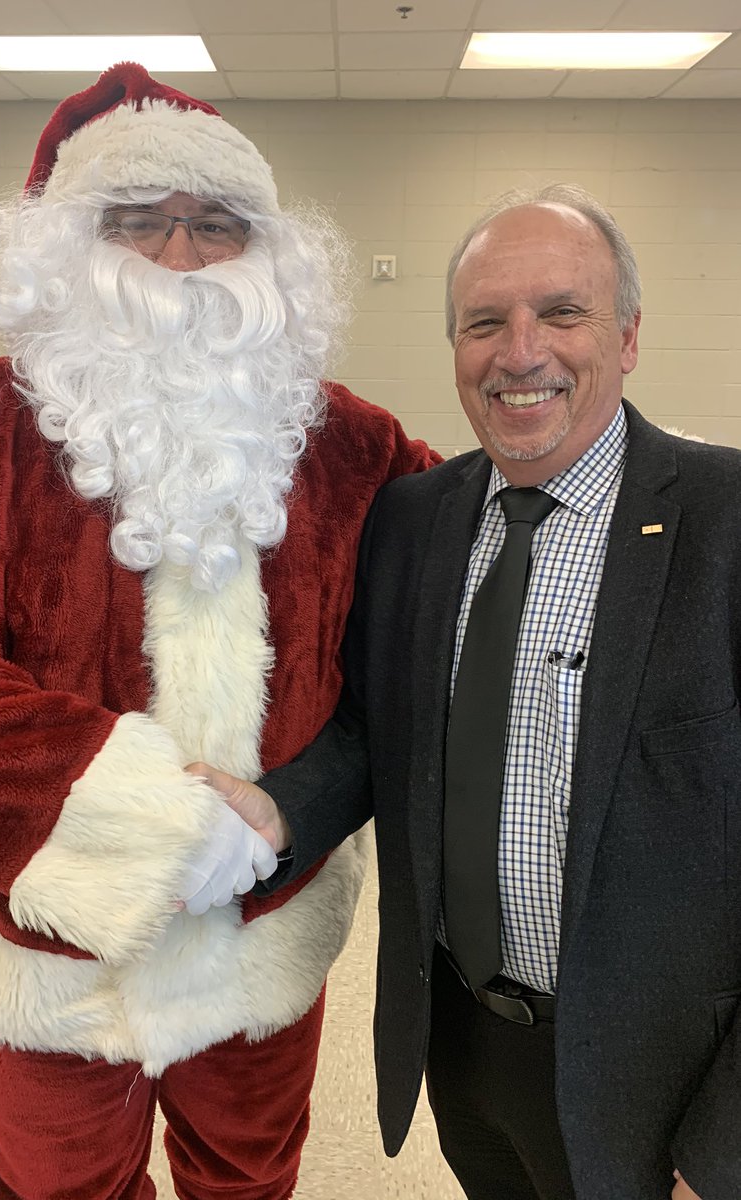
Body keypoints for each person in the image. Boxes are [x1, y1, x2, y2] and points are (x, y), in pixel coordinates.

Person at [0, 62, 437, 1200]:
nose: (178, 257)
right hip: (37, 948)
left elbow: (426, 640)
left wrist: (293, 813)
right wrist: (127, 819)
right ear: (63, 253)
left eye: (215, 225)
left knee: (251, 1175)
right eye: (136, 223)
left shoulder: (354, 445)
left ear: (269, 261)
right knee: (59, 1186)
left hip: (264, 931)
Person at [196, 184, 741, 1200]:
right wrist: (273, 813)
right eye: (484, 322)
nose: (519, 350)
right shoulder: (412, 518)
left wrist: (725, 1150)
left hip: (665, 1087)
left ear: (626, 338)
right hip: (465, 1052)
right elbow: (374, 729)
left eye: (562, 313)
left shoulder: (725, 523)